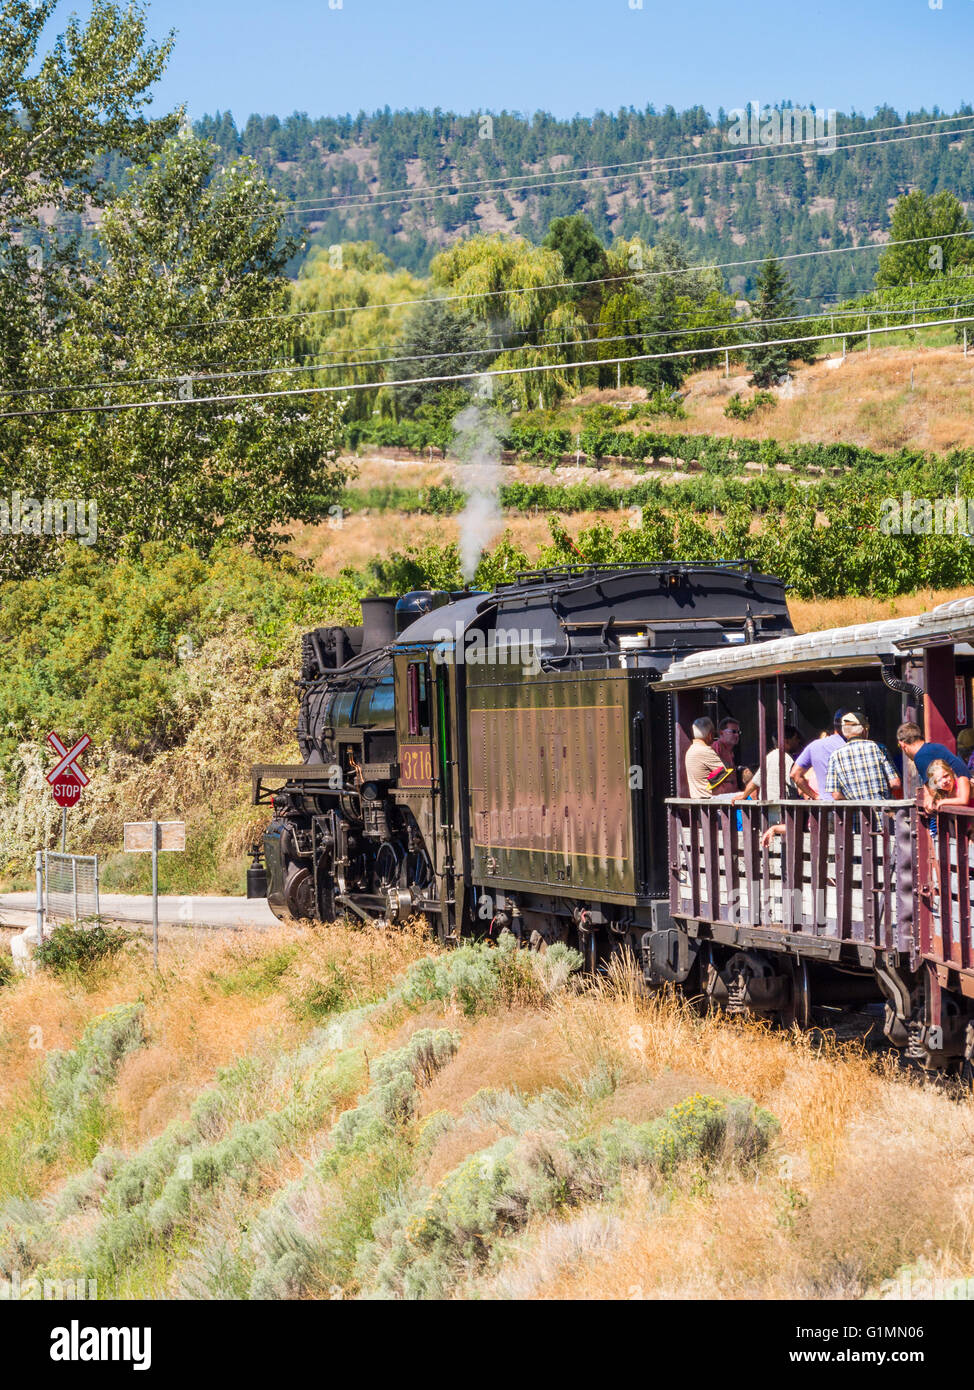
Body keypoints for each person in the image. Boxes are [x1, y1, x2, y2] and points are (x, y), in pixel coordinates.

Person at [826, 711, 903, 801]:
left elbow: (836, 795)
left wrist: (854, 804)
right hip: (882, 812)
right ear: (864, 730)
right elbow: (895, 783)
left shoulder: (835, 756)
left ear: (844, 731)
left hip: (855, 814)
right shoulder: (878, 748)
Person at [896, 722, 971, 804]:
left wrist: (929, 798)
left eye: (899, 746)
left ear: (902, 744)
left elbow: (932, 793)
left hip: (962, 797)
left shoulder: (920, 757)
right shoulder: (935, 747)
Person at [734, 725, 802, 805]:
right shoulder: (786, 758)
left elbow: (755, 782)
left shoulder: (769, 757)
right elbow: (796, 780)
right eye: (795, 739)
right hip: (785, 809)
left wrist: (743, 796)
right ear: (786, 741)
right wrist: (810, 794)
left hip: (768, 807)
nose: (798, 741)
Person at [791, 710, 848, 801]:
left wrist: (815, 796)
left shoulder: (815, 745)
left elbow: (795, 774)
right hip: (849, 807)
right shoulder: (853, 747)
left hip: (823, 808)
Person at [685, 716, 735, 798]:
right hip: (711, 799)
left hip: (698, 798)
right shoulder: (705, 750)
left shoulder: (690, 750)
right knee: (747, 795)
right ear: (710, 735)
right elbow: (727, 771)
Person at [714, 716, 752, 792]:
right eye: (733, 732)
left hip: (731, 795)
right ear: (721, 733)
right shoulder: (717, 747)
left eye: (738, 732)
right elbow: (714, 776)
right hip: (721, 796)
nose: (737, 735)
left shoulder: (730, 751)